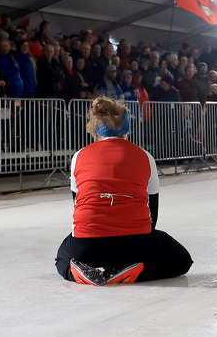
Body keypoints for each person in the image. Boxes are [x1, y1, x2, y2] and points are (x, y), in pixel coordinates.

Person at [55, 97, 193, 285]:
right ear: (127, 127)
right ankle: (131, 272)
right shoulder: (145, 157)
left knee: (62, 258)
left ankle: (77, 273)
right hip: (134, 244)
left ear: (97, 126)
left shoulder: (79, 156)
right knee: (181, 260)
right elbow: (152, 215)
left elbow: (77, 204)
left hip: (87, 246)